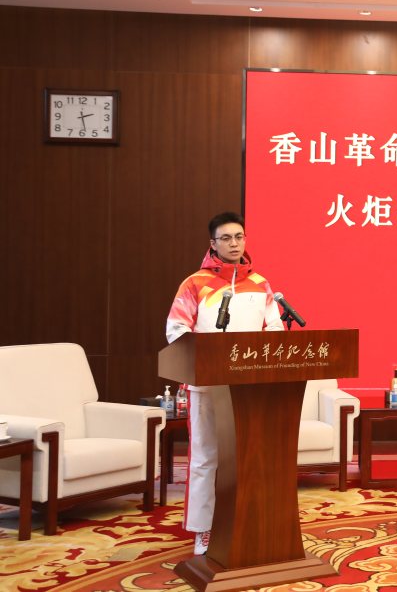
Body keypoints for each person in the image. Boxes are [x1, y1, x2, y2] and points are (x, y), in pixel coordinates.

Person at [166, 212, 284, 555]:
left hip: (250, 389)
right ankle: (203, 530)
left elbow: (274, 330)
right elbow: (176, 330)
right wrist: (208, 357)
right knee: (205, 458)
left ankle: (245, 521)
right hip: (207, 386)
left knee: (249, 458)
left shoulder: (260, 284)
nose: (234, 243)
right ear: (213, 244)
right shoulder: (195, 283)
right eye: (226, 238)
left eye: (239, 236)